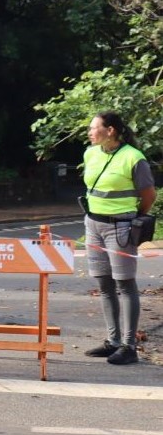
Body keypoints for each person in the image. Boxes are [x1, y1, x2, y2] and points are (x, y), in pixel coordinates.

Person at [81, 111, 156, 365]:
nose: (90, 132)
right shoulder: (91, 153)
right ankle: (112, 341)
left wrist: (136, 218)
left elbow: (149, 195)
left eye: (94, 128)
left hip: (121, 227)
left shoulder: (134, 158)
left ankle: (129, 345)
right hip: (93, 224)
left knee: (125, 284)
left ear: (110, 130)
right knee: (104, 284)